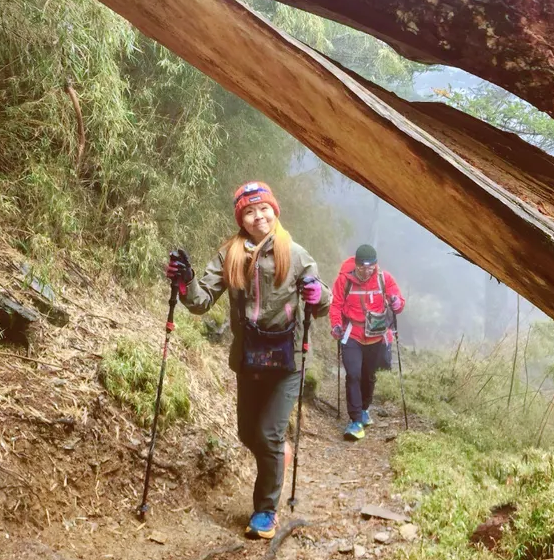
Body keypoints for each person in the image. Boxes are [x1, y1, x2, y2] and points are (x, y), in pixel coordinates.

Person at [165, 181, 331, 539]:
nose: (258, 216)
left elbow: (322, 302)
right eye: (249, 211)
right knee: (247, 433)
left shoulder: (297, 254)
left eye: (264, 209)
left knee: (268, 434)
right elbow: (200, 301)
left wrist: (319, 294)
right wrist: (186, 280)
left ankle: (265, 511)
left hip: (288, 361)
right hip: (249, 358)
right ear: (241, 218)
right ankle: (275, 454)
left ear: (275, 210)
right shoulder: (230, 256)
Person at [329, 244, 405, 440]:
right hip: (352, 334)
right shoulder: (344, 280)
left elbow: (399, 302)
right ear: (355, 264)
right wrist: (336, 325)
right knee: (353, 375)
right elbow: (336, 304)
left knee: (368, 376)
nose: (365, 271)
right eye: (362, 267)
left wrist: (397, 302)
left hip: (376, 335)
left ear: (376, 265)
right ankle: (355, 421)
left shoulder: (383, 279)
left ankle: (364, 408)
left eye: (370, 267)